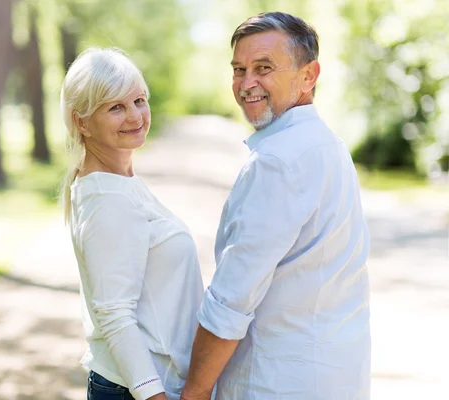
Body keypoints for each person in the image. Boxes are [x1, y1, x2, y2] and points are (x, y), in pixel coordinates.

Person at [181, 12, 371, 400]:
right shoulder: (327, 145)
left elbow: (231, 300)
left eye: (263, 68)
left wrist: (195, 391)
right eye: (239, 69)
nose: (247, 83)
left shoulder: (278, 160)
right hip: (335, 378)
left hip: (274, 383)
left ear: (308, 75)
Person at [60, 47, 204, 400]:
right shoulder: (108, 199)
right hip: (138, 389)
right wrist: (153, 396)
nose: (135, 116)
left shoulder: (119, 182)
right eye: (115, 107)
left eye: (139, 100)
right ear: (82, 122)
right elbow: (114, 314)